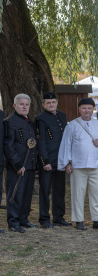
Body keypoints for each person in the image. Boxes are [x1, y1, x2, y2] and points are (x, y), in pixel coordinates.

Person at [58, 98, 98, 231]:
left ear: (93, 109)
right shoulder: (72, 125)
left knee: (97, 194)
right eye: (84, 108)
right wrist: (67, 162)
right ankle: (78, 220)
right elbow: (66, 145)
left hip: (95, 164)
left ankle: (97, 220)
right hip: (78, 165)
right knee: (77, 194)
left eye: (89, 108)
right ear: (79, 109)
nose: (87, 111)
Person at [35, 92, 70, 229]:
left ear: (56, 103)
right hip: (48, 161)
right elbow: (41, 142)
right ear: (44, 104)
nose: (51, 104)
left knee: (59, 190)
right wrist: (45, 161)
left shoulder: (62, 116)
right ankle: (44, 218)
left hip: (60, 160)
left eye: (53, 102)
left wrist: (67, 160)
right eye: (48, 103)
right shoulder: (40, 119)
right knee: (45, 191)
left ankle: (58, 217)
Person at [4, 94, 37, 233]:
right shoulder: (9, 122)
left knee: (27, 194)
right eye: (21, 104)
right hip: (17, 166)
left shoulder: (29, 121)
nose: (24, 107)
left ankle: (23, 219)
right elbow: (8, 145)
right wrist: (17, 164)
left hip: (29, 164)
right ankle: (13, 222)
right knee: (15, 194)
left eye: (26, 105)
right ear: (15, 105)